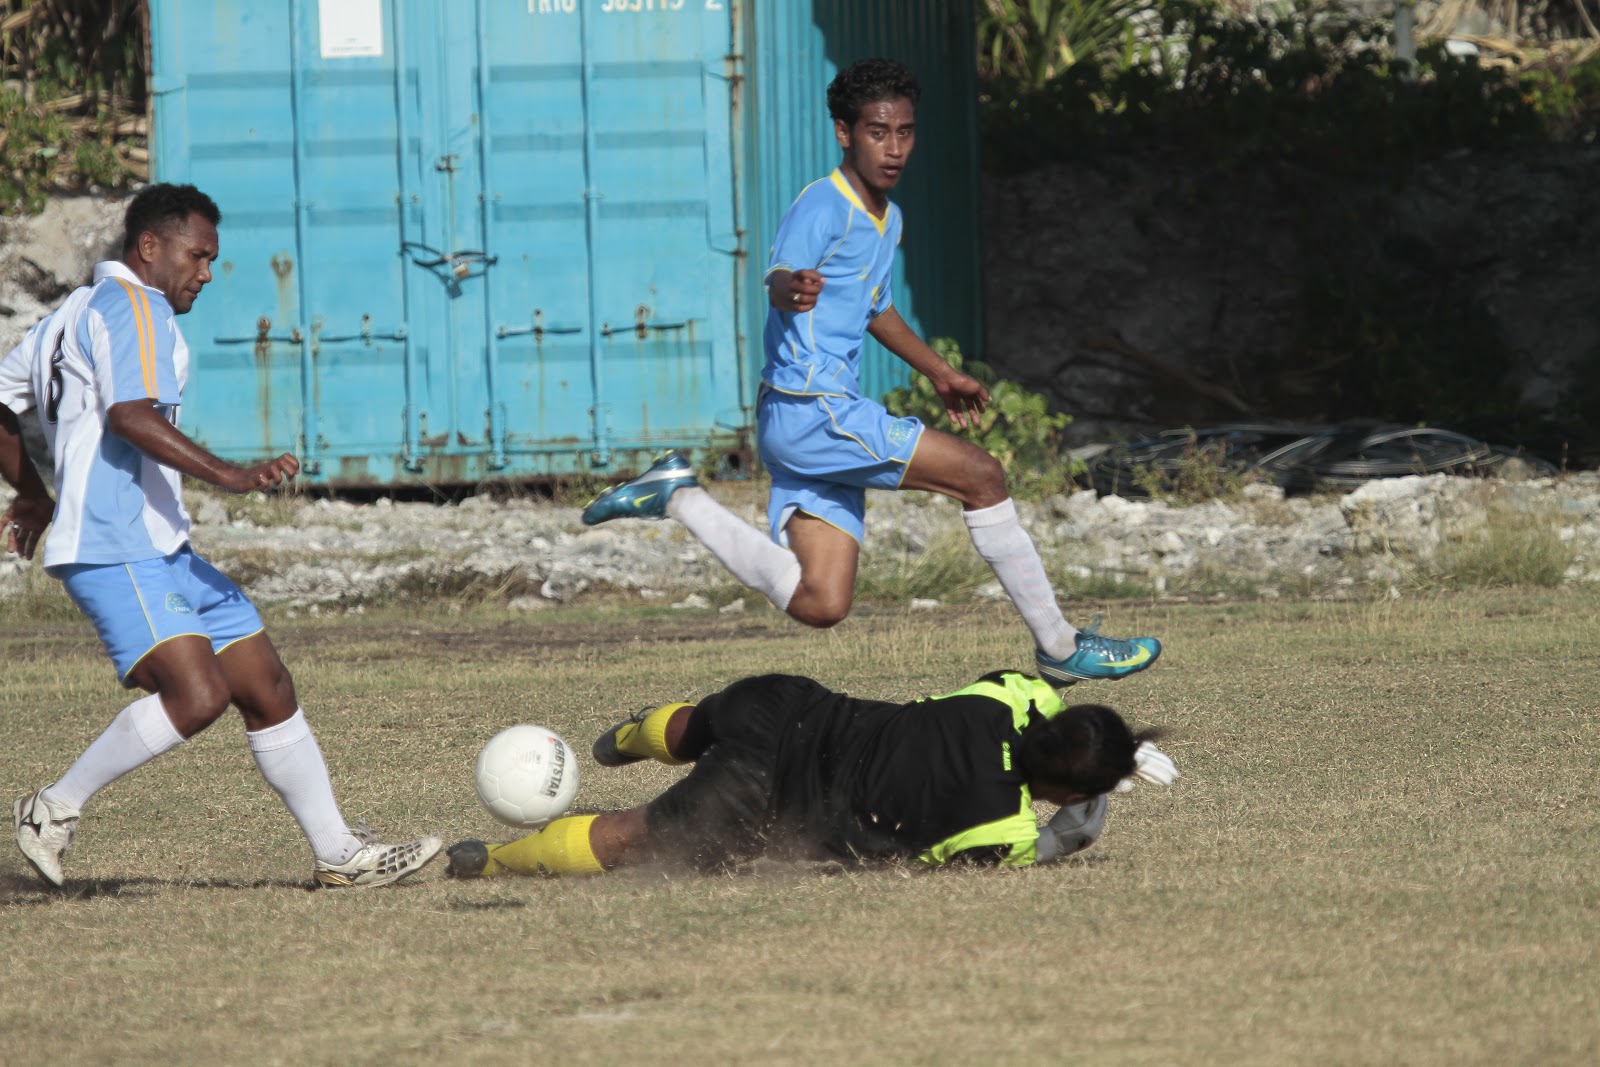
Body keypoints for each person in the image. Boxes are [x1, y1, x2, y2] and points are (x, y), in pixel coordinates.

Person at [581, 58, 1159, 686]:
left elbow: (875, 306)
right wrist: (789, 290)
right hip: (814, 408)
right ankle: (1059, 644)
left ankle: (680, 497)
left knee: (821, 602)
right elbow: (779, 276)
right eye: (878, 131)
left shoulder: (891, 218)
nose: (894, 147)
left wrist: (940, 372)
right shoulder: (823, 204)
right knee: (981, 474)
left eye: (905, 132)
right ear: (844, 133)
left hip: (801, 421)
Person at [0, 183, 441, 889]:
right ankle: (53, 808)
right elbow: (130, 417)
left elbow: (6, 394)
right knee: (198, 695)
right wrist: (231, 474)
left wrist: (33, 492)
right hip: (117, 546)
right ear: (150, 247)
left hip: (160, 545)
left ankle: (338, 853)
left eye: (211, 259)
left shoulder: (69, 314)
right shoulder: (135, 306)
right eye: (197, 255)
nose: (206, 272)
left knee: (263, 682)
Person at [443, 669, 1177, 879]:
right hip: (760, 799)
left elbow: (1045, 692)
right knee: (640, 836)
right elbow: (1047, 840)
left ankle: (633, 733)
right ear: (1073, 791)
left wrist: (1120, 746)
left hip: (788, 703)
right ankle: (497, 860)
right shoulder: (1003, 827)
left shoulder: (1008, 696)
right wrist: (1081, 823)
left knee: (701, 723)